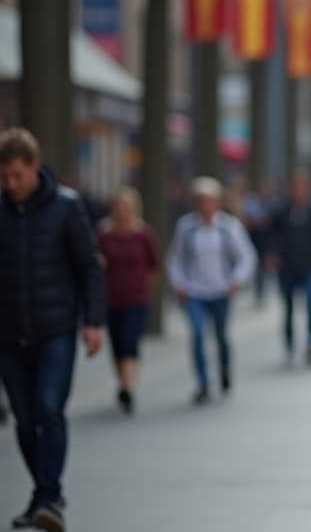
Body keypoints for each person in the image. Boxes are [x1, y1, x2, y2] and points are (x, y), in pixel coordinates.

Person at [0, 128, 105, 532]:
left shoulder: (66, 207)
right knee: (24, 420)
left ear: (34, 167)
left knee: (48, 408)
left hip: (56, 328)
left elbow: (88, 267)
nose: (11, 186)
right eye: (4, 178)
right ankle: (44, 495)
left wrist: (92, 322)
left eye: (17, 177)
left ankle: (48, 498)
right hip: (9, 334)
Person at [166, 177, 258, 404]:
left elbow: (247, 255)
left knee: (221, 336)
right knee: (197, 335)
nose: (204, 206)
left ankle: (225, 369)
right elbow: (174, 259)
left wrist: (237, 280)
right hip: (195, 291)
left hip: (220, 290)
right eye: (200, 201)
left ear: (216, 202)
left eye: (208, 201)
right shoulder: (186, 227)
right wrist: (179, 283)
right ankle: (203, 383)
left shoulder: (228, 226)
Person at [96, 187, 161, 414]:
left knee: (129, 341)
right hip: (112, 298)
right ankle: (123, 381)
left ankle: (128, 387)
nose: (122, 210)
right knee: (117, 345)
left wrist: (144, 286)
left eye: (126, 206)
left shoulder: (143, 234)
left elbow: (155, 265)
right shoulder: (103, 234)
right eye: (118, 206)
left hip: (137, 298)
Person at [266, 169, 311, 366]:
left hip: (309, 266)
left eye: (302, 187)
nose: (298, 191)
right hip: (287, 267)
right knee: (288, 308)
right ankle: (289, 345)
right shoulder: (280, 211)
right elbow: (271, 235)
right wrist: (271, 254)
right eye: (294, 187)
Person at [241, 174, 279, 306]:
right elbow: (247, 218)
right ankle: (258, 291)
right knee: (257, 268)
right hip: (254, 238)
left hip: (267, 240)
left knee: (265, 268)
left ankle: (263, 292)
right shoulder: (251, 201)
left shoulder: (274, 203)